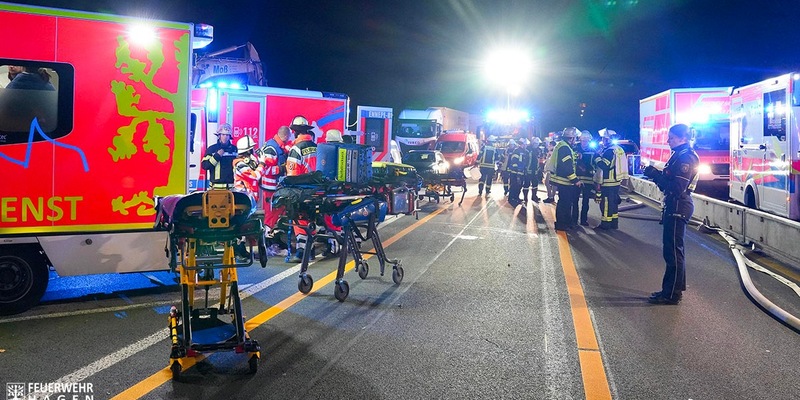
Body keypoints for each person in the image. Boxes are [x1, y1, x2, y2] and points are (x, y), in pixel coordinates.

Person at [643, 123, 699, 305]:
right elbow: (669, 179)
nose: (668, 141)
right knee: (672, 250)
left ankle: (671, 294)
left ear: (683, 138)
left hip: (678, 206)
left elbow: (676, 187)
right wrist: (655, 173)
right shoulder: (679, 155)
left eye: (672, 138)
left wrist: (656, 176)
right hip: (674, 205)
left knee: (673, 252)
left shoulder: (685, 159)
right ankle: (673, 290)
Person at [286, 115, 319, 263]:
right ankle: (310, 250)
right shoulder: (316, 146)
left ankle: (301, 251)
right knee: (311, 218)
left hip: (301, 190)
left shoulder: (296, 149)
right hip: (317, 190)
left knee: (299, 218)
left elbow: (292, 175)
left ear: (295, 132)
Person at [547, 127, 582, 231]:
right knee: (564, 203)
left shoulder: (564, 146)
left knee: (564, 202)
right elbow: (566, 166)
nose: (575, 140)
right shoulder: (565, 148)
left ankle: (565, 223)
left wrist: (576, 155)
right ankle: (562, 224)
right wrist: (575, 180)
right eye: (575, 138)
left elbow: (567, 160)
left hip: (563, 180)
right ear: (571, 138)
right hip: (564, 181)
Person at [593, 129, 627, 230]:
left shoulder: (609, 151)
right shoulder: (619, 149)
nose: (602, 140)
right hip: (616, 181)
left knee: (606, 204)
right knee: (614, 203)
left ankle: (605, 225)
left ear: (608, 139)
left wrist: (596, 157)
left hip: (608, 182)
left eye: (604, 138)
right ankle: (614, 223)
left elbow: (604, 165)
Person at [201, 123, 237, 189]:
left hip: (232, 187)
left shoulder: (234, 150)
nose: (225, 137)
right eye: (223, 134)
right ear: (219, 135)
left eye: (227, 135)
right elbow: (205, 165)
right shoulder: (212, 149)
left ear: (230, 136)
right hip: (216, 188)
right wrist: (216, 156)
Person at [575, 131, 596, 226]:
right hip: (576, 179)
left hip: (588, 179)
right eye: (583, 140)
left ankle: (584, 220)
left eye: (586, 140)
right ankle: (574, 220)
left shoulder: (593, 150)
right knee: (574, 200)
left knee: (586, 201)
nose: (584, 142)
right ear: (580, 140)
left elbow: (595, 164)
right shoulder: (575, 148)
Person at [232, 136, 262, 202]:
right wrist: (262, 164)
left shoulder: (247, 163)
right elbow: (255, 176)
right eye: (252, 148)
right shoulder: (240, 165)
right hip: (243, 200)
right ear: (248, 151)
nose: (254, 150)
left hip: (248, 198)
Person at [506, 138, 529, 206]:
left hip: (521, 172)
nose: (526, 146)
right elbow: (514, 161)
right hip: (515, 172)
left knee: (519, 185)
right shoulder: (517, 151)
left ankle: (516, 197)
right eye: (525, 144)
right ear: (522, 144)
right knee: (514, 185)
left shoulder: (524, 151)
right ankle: (511, 198)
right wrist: (517, 171)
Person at [522, 137, 543, 203]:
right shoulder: (528, 149)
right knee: (526, 184)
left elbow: (540, 160)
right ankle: (525, 197)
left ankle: (534, 196)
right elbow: (525, 159)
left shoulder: (539, 150)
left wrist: (540, 169)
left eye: (537, 144)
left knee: (535, 184)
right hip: (528, 170)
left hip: (535, 170)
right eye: (535, 143)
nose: (536, 145)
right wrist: (524, 168)